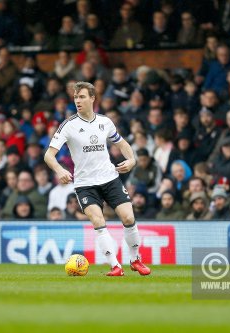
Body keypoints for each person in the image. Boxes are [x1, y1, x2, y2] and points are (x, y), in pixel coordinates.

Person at [44, 81, 151, 276]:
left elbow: (122, 143)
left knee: (128, 217)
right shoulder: (68, 125)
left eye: (82, 96)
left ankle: (135, 260)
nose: (78, 100)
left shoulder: (105, 122)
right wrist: (60, 170)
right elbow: (48, 155)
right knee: (98, 220)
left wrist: (132, 160)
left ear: (92, 98)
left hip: (110, 178)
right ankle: (115, 266)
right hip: (85, 184)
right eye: (76, 97)